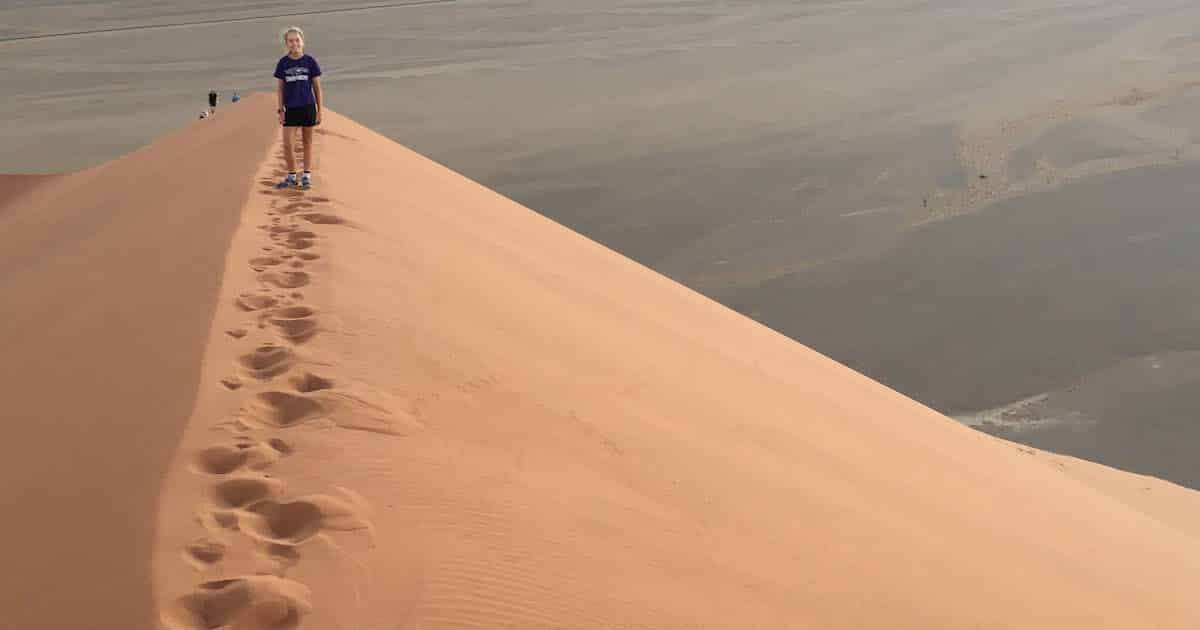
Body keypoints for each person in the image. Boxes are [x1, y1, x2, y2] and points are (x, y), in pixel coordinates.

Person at [273, 26, 323, 189]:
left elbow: (317, 88)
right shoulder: (283, 63)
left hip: (308, 106)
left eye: (297, 40)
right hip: (291, 109)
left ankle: (307, 175)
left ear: (302, 41)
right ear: (286, 44)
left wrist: (319, 110)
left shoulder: (310, 61)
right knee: (288, 144)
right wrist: (280, 110)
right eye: (290, 41)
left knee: (307, 142)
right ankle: (292, 175)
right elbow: (280, 89)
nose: (294, 43)